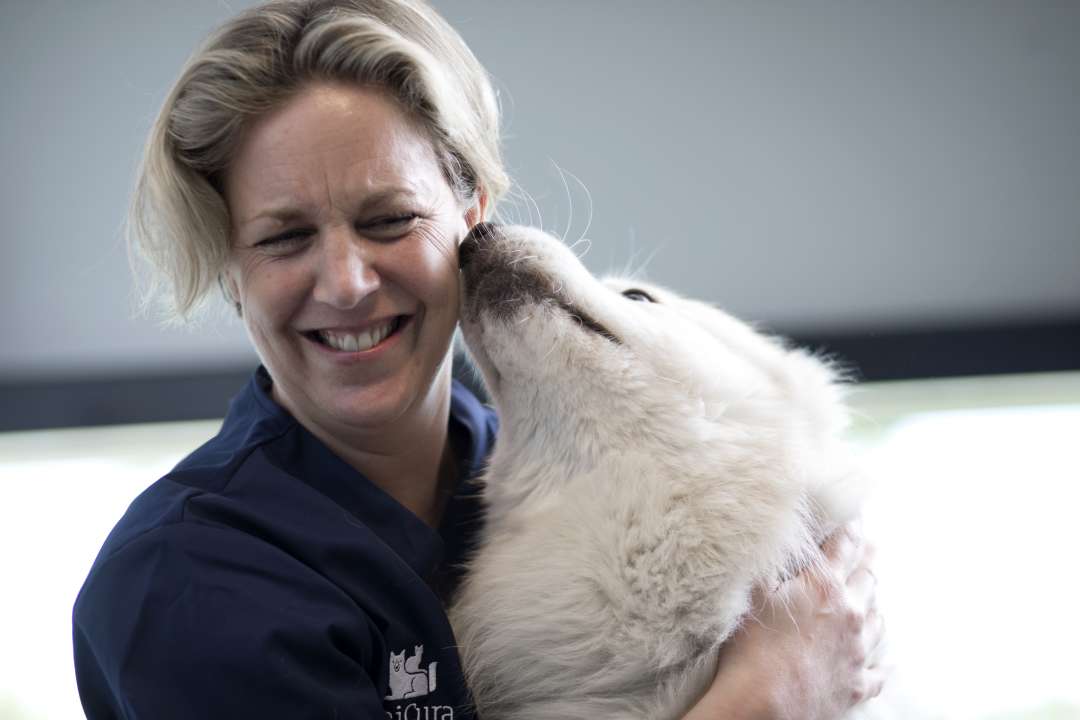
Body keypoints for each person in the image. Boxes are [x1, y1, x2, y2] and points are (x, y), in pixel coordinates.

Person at [72, 1, 887, 718]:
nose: (349, 282)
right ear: (230, 272)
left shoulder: (566, 472)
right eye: (285, 237)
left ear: (472, 214)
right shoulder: (184, 585)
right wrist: (771, 698)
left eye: (389, 218)